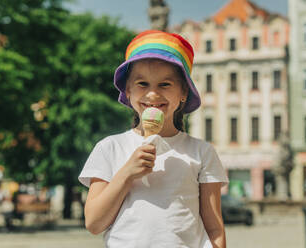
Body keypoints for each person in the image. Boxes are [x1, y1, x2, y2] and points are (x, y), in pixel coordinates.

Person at [78, 30, 229, 248]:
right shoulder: (109, 148)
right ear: (128, 91)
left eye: (165, 84)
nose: (152, 94)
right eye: (142, 84)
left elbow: (214, 228)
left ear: (183, 92)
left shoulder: (201, 152)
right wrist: (127, 173)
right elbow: (94, 223)